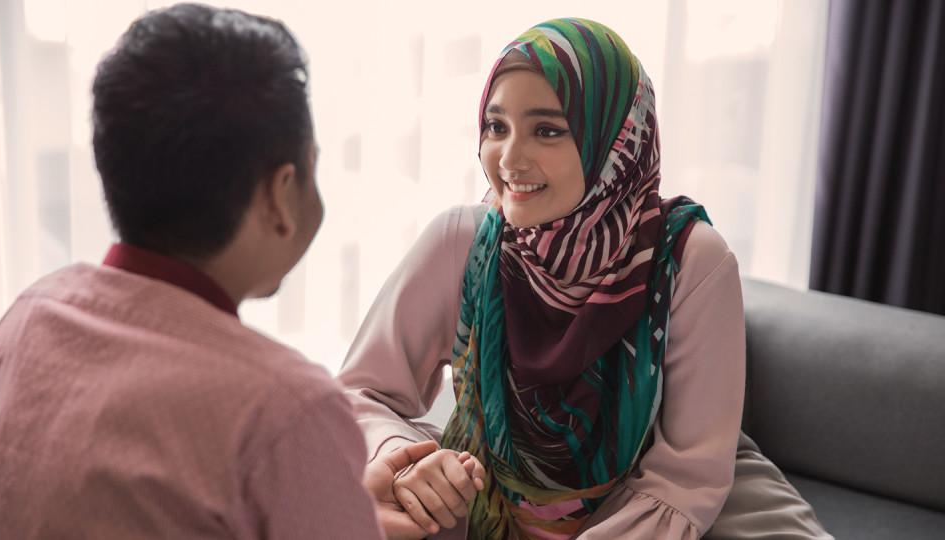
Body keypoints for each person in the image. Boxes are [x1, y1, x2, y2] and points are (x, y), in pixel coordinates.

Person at [339, 18, 832, 539]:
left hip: (675, 496)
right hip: (500, 497)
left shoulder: (690, 260)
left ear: (616, 141)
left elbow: (688, 476)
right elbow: (361, 393)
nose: (508, 159)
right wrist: (405, 458)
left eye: (547, 130)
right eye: (496, 126)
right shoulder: (461, 243)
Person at [0, 4, 462, 539]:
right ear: (280, 195)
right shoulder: (284, 408)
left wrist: (345, 510)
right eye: (313, 165)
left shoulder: (27, 318)